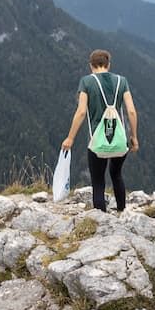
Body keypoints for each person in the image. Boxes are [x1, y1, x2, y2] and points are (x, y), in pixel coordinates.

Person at [61, 49, 139, 213]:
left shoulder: (86, 82)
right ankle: (122, 212)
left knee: (98, 181)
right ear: (108, 64)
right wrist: (134, 137)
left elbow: (81, 111)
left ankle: (101, 219)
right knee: (116, 175)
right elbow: (131, 111)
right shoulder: (121, 81)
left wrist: (70, 138)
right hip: (119, 139)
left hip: (97, 141)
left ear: (91, 65)